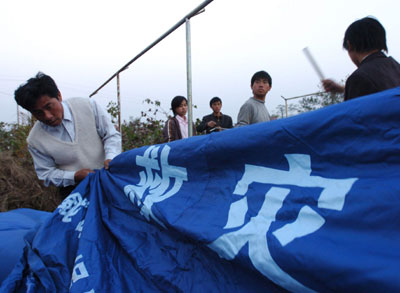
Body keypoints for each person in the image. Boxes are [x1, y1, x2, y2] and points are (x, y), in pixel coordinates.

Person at [14, 72, 121, 198]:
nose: (47, 116)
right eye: (38, 113)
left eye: (49, 107)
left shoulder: (87, 106)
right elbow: (46, 174)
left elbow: (110, 135)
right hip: (75, 191)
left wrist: (111, 158)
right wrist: (74, 176)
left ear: (59, 95)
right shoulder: (35, 140)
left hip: (109, 178)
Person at [322, 17, 400, 101]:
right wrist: (344, 89)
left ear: (349, 45)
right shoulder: (396, 66)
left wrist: (352, 87)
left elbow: (356, 112)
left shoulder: (359, 78)